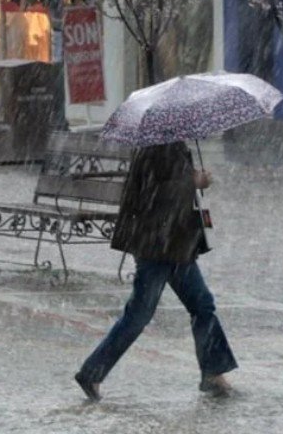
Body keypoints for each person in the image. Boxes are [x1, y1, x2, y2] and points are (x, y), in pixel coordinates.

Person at [74, 141, 237, 401]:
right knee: (139, 314)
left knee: (202, 305)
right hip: (158, 246)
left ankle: (213, 373)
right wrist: (193, 182)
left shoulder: (169, 144)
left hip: (175, 245)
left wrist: (191, 180)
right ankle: (92, 372)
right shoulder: (157, 146)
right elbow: (154, 194)